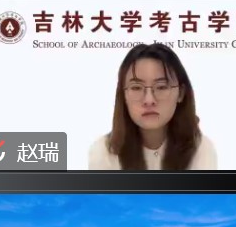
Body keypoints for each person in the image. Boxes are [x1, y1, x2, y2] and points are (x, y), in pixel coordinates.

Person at [86, 42, 217, 170]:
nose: (149, 100)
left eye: (161, 87)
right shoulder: (103, 152)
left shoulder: (201, 150)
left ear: (181, 93)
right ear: (123, 95)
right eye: (136, 88)